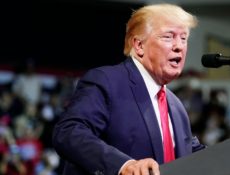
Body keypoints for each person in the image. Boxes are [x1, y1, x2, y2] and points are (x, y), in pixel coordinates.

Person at [52, 3, 205, 175]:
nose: (179, 46)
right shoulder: (107, 81)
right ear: (139, 45)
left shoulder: (176, 105)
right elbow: (69, 132)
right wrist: (123, 165)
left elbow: (189, 154)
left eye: (183, 38)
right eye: (168, 37)